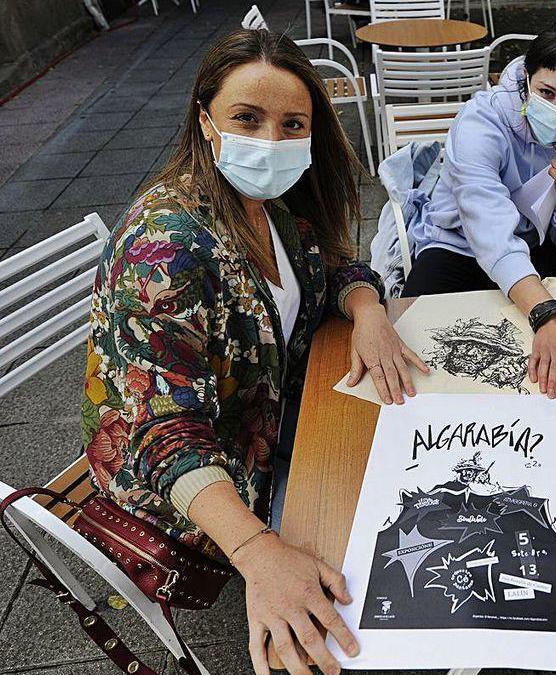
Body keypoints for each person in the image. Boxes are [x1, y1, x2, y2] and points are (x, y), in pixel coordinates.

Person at [82, 29, 427, 675]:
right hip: (192, 483)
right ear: (205, 120)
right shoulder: (166, 247)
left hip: (280, 418)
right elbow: (164, 432)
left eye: (292, 124)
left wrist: (369, 309)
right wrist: (258, 550)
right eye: (248, 118)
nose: (270, 141)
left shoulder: (271, 204)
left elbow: (336, 264)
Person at [400, 17, 556, 400]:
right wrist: (544, 313)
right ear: (526, 81)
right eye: (547, 93)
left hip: (539, 243)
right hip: (458, 245)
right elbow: (487, 227)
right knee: (416, 345)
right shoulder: (481, 122)